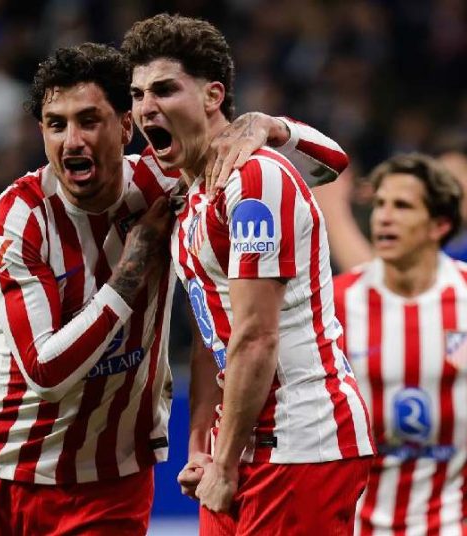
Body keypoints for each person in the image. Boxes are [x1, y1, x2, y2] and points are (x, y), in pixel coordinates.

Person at [0, 42, 352, 535]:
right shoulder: (19, 216)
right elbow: (45, 370)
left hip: (115, 475)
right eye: (56, 125)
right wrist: (133, 265)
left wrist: (267, 126)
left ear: (126, 126)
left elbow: (330, 163)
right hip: (9, 466)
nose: (72, 141)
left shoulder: (165, 181)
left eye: (89, 121)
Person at [122, 14, 375, 535]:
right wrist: (202, 446)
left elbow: (257, 336)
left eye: (165, 89)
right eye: (138, 94)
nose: (146, 107)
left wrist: (271, 124)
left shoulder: (255, 177)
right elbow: (211, 334)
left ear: (213, 95)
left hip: (302, 442)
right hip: (239, 443)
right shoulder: (189, 193)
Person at [316, 138, 467, 534]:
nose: (384, 217)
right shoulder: (337, 301)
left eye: (402, 206)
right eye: (379, 204)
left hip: (456, 514)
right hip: (358, 515)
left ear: (439, 225)